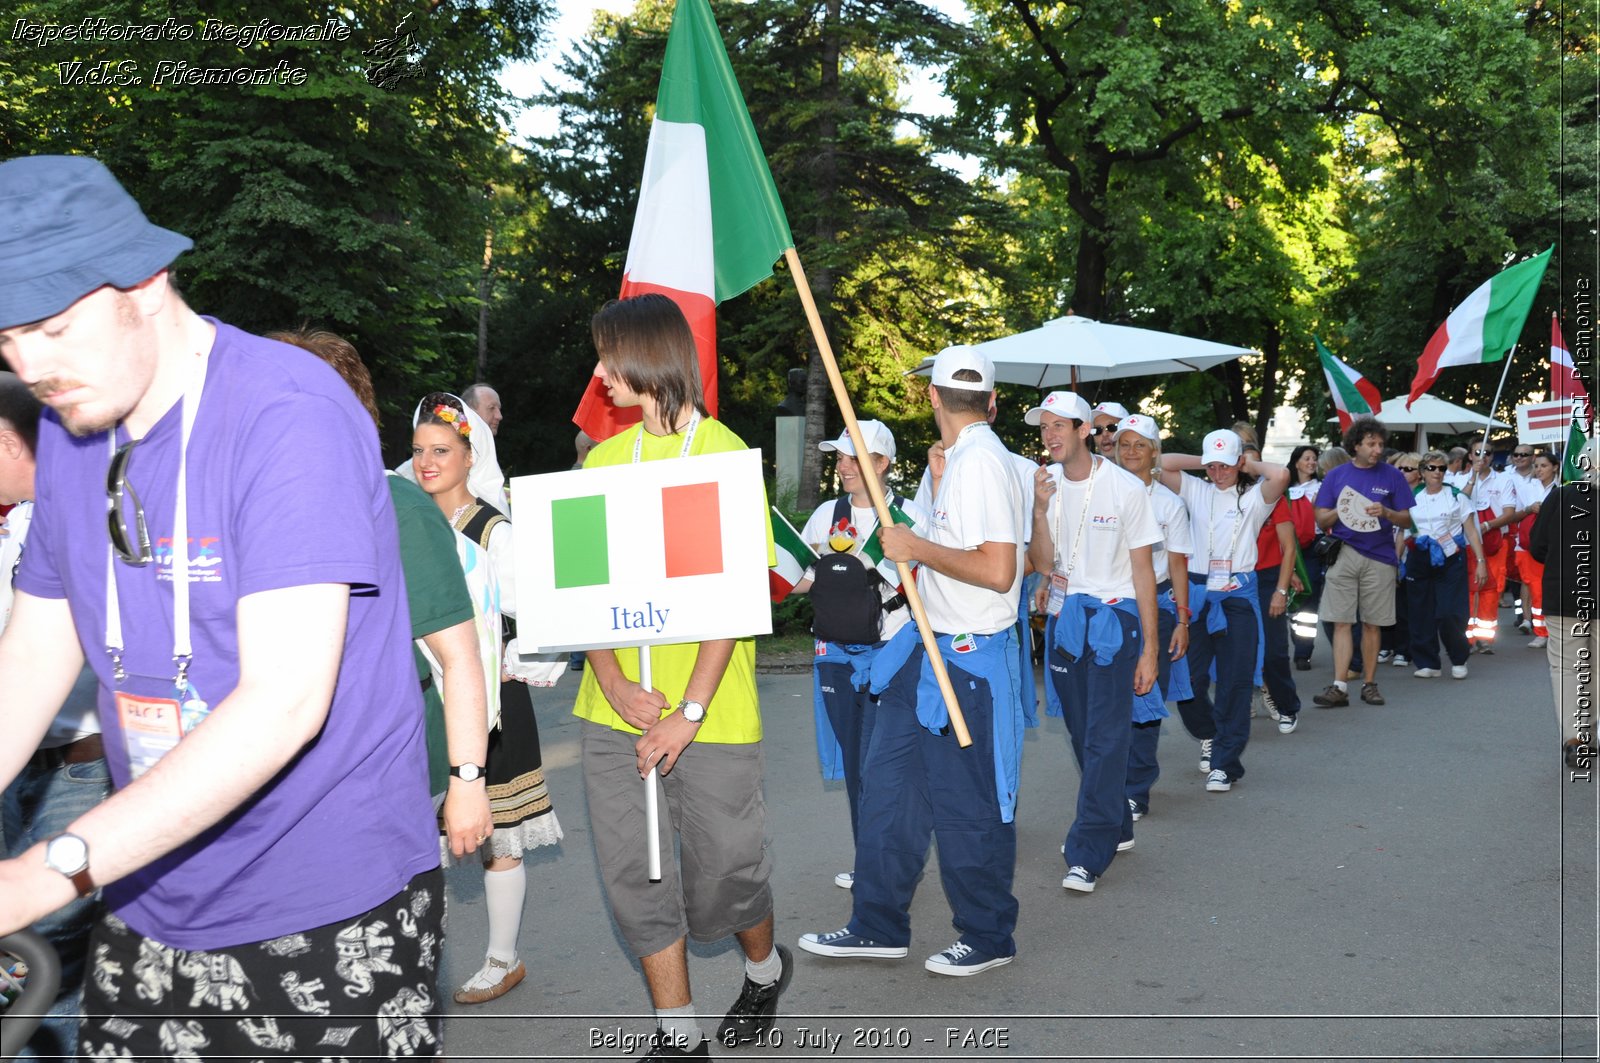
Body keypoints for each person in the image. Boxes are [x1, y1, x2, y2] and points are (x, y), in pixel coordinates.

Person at [0, 154, 443, 1059]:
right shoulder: (74, 421)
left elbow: (284, 703)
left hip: (326, 898)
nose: (29, 365)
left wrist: (48, 870)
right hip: (149, 884)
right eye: (6, 337)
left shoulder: (289, 413)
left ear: (149, 279)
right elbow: (31, 658)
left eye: (51, 326)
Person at [575, 294, 787, 1058]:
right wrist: (614, 683)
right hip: (614, 716)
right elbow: (583, 596)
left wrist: (686, 710)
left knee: (725, 877)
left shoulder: (724, 455)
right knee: (638, 878)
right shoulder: (601, 462)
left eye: (608, 357)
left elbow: (731, 600)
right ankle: (679, 1035)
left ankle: (763, 970)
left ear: (648, 357)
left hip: (711, 715)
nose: (598, 373)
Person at [268, 332, 502, 977]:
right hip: (279, 781)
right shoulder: (257, 505)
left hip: (376, 780)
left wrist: (467, 781)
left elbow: (460, 658)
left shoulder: (395, 507)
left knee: (369, 966)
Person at [799, 344, 1027, 976]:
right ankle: (877, 924)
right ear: (991, 399)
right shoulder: (958, 462)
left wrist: (916, 545)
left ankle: (987, 935)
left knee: (965, 805)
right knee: (889, 793)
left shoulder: (982, 462)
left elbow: (1000, 570)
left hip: (966, 659)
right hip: (922, 653)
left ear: (931, 396)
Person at [411, 391, 564, 1005]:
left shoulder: (494, 531)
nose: (426, 462)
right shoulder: (407, 522)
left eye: (441, 450)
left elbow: (538, 616)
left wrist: (504, 663)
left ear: (471, 457)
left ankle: (503, 958)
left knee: (497, 832)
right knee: (415, 835)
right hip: (418, 703)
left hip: (489, 704)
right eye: (419, 450)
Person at [0, 372, 110, 1060]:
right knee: (17, 956)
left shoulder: (77, 518)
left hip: (72, 769)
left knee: (52, 954)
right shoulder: (15, 520)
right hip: (17, 769)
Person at [1027, 392, 1160, 895]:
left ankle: (1088, 850)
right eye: (1045, 427)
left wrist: (1149, 648)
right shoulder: (1043, 486)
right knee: (1084, 736)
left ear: (1086, 430)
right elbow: (1043, 563)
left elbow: (1145, 573)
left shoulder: (1126, 488)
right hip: (1066, 619)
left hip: (1114, 619)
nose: (1051, 435)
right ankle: (1117, 821)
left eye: (1061, 425)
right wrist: (1039, 511)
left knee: (1106, 738)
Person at [791, 421, 928, 892]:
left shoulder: (909, 515)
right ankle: (870, 859)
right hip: (834, 654)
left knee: (886, 765)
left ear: (882, 463)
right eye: (840, 458)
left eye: (854, 458)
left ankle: (893, 860)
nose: (843, 466)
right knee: (855, 764)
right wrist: (775, 575)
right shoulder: (829, 514)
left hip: (892, 652)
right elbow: (802, 576)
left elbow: (929, 582)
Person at [1157, 431, 1288, 792]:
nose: (1218, 473)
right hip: (1196, 592)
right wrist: (1207, 459)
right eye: (1212, 467)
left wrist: (1246, 462)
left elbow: (1280, 475)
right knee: (1189, 680)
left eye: (1225, 466)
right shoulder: (1196, 489)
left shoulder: (1254, 497)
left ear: (1238, 464)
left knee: (1234, 682)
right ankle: (1209, 732)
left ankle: (1225, 763)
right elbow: (1161, 462)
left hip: (1237, 595)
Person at [1109, 414, 1193, 820]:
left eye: (1139, 445)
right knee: (1108, 698)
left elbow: (1177, 565)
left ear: (1154, 452)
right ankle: (1109, 780)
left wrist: (1182, 620)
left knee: (1144, 697)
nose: (1130, 451)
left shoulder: (1169, 504)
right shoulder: (1102, 493)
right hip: (1109, 607)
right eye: (1124, 443)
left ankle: (1136, 788)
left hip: (1152, 608)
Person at [1311, 417, 1415, 707]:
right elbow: (1321, 518)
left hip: (1380, 556)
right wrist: (1341, 511)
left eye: (1380, 444)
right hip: (1343, 553)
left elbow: (1407, 518)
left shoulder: (1392, 476)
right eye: (1371, 443)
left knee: (1372, 623)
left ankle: (1370, 684)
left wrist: (1387, 513)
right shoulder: (1336, 476)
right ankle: (1339, 685)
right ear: (1356, 445)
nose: (1378, 449)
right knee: (1342, 622)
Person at [1528, 438, 1599, 770]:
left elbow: (1537, 545)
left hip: (1564, 593)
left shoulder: (1560, 495)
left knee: (1566, 668)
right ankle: (1590, 731)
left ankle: (1575, 737)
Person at [1403, 450, 1485, 679]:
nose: (1437, 473)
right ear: (1422, 472)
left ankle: (1458, 657)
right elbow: (1403, 531)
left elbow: (1470, 529)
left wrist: (1480, 561)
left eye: (1441, 468)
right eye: (1432, 468)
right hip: (1420, 556)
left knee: (1450, 612)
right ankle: (1428, 662)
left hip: (1451, 556)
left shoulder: (1456, 496)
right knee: (1421, 611)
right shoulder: (1411, 497)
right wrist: (1395, 561)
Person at [1460, 439, 1525, 653]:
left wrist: (1487, 525)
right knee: (1469, 589)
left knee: (1491, 589)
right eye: (1478, 452)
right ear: (1470, 456)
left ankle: (1485, 638)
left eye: (1487, 453)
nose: (1483, 456)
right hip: (1467, 542)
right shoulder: (1459, 479)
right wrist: (1472, 479)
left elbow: (1508, 514)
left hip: (1496, 541)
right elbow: (1457, 506)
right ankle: (1466, 637)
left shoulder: (1504, 480)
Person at [1378, 452, 1423, 669]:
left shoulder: (1421, 496)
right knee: (1386, 604)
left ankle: (1404, 649)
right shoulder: (1390, 494)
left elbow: (1408, 530)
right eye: (1399, 469)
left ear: (1418, 474)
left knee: (1405, 606)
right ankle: (1386, 644)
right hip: (1387, 552)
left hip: (1412, 555)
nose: (1402, 473)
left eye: (1408, 469)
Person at [1512, 452, 1559, 648]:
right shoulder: (1526, 488)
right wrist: (1529, 509)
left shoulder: (1563, 488)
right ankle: (1541, 632)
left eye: (1544, 466)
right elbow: (1514, 516)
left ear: (1555, 467)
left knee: (1553, 590)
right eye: (1537, 466)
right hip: (1529, 547)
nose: (1539, 469)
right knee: (1536, 589)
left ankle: (1555, 631)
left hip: (1554, 546)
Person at [1286, 445, 1323, 670]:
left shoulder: (1322, 488)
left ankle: (1303, 651)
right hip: (1289, 548)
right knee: (1292, 598)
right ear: (1296, 462)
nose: (1311, 462)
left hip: (1314, 548)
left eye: (1314, 458)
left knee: (1309, 597)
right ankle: (1297, 640)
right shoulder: (1284, 489)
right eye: (1307, 458)